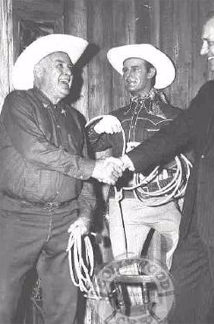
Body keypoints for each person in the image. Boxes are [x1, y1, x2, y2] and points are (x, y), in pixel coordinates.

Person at [119, 7, 214, 324]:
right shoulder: (209, 91)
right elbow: (175, 134)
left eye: (209, 42)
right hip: (197, 228)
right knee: (184, 310)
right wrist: (126, 160)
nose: (203, 51)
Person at [0, 34, 124, 324]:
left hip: (66, 223)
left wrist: (84, 216)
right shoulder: (18, 103)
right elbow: (35, 151)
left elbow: (85, 181)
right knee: (3, 303)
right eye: (60, 65)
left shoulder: (75, 119)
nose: (69, 73)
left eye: (71, 69)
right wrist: (93, 168)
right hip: (18, 218)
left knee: (64, 308)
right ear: (39, 71)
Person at [86, 44, 190, 270]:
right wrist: (96, 128)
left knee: (186, 252)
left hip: (164, 200)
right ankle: (133, 307)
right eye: (125, 70)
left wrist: (162, 163)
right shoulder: (116, 118)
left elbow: (190, 160)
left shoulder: (174, 117)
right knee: (126, 269)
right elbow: (87, 144)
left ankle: (181, 304)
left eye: (134, 69)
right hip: (125, 202)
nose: (127, 75)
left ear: (151, 72)